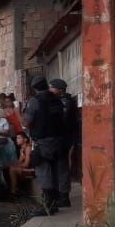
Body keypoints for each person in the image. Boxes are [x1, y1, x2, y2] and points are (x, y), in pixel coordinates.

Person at [22, 76, 69, 216]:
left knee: (43, 171)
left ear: (35, 88)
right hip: (59, 140)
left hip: (43, 141)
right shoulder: (58, 100)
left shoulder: (35, 101)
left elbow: (27, 122)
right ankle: (56, 202)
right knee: (56, 170)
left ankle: (48, 206)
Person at [49, 78, 78, 207]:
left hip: (64, 140)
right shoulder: (59, 101)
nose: (50, 90)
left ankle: (64, 196)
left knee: (62, 167)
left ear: (59, 90)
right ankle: (60, 195)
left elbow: (63, 122)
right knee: (58, 167)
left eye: (52, 87)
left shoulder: (65, 103)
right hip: (60, 139)